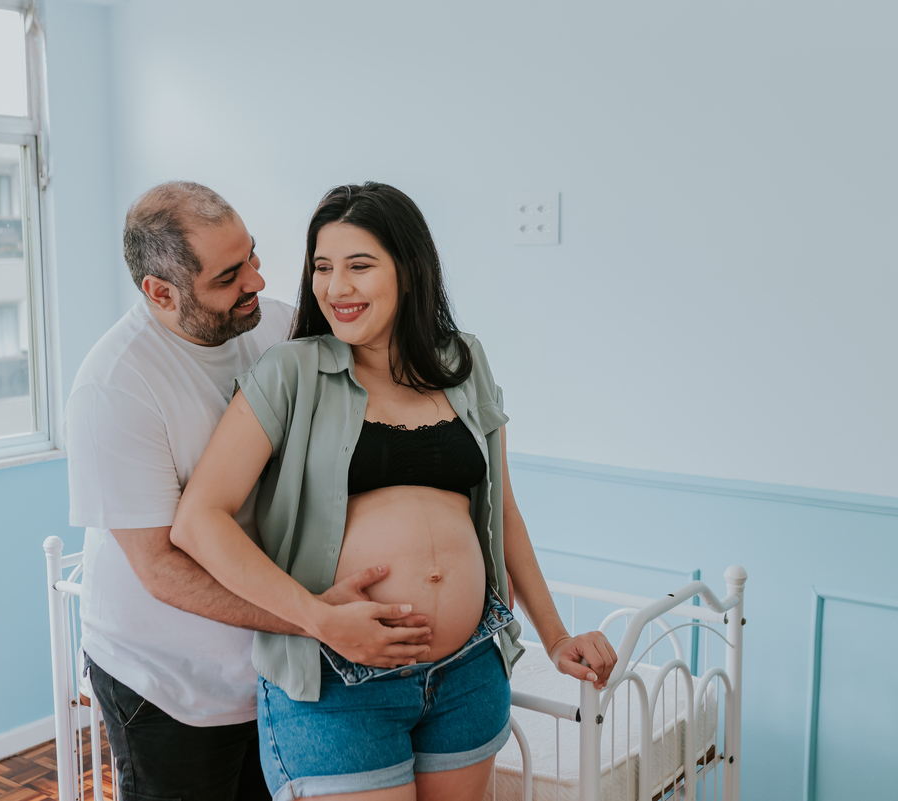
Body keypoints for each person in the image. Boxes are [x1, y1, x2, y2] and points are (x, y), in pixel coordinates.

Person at [171, 182, 618, 801]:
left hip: (466, 673)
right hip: (335, 681)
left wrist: (557, 635)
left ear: (409, 271)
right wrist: (320, 619)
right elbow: (198, 520)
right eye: (322, 267)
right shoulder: (291, 372)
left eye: (359, 266)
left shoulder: (464, 361)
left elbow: (503, 509)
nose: (336, 287)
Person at [65, 181, 434, 801]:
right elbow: (162, 568)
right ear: (160, 293)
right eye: (229, 275)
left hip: (269, 668)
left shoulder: (278, 330)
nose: (257, 282)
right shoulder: (115, 388)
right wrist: (315, 619)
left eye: (254, 257)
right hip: (168, 682)